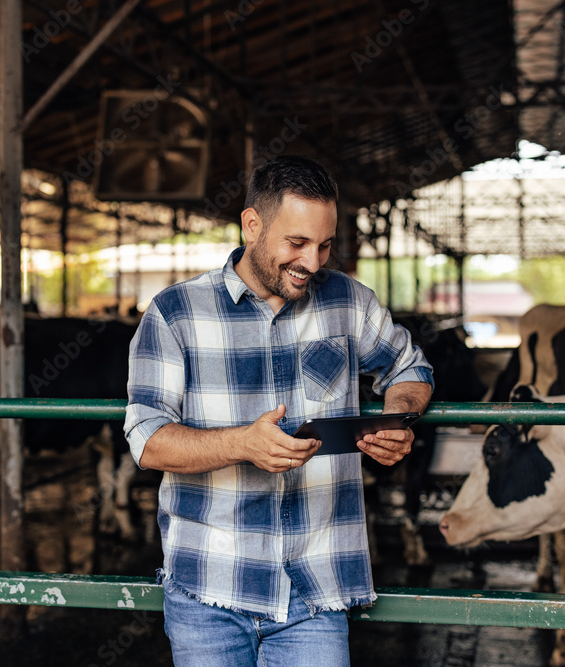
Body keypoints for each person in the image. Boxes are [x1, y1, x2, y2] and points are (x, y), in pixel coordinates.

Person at [124, 154, 434, 666]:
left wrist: (395, 419)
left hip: (316, 589)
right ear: (252, 225)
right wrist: (240, 444)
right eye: (297, 243)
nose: (313, 262)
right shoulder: (176, 313)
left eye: (325, 245)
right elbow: (148, 439)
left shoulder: (348, 303)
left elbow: (410, 369)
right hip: (210, 587)